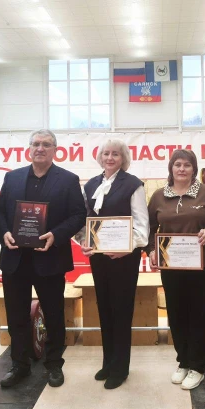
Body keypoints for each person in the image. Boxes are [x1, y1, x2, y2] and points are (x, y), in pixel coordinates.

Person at [0, 130, 86, 389]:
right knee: (16, 316)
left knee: (54, 314)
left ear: (55, 150)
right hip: (15, 259)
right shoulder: (12, 177)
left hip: (50, 258)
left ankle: (54, 364)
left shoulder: (68, 180)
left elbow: (78, 215)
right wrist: (5, 232)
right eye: (36, 144)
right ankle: (19, 365)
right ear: (29, 148)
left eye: (46, 144)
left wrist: (56, 235)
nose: (40, 148)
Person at [147, 149, 205, 390]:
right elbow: (149, 227)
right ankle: (183, 361)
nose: (182, 169)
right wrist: (151, 250)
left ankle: (197, 367)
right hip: (171, 267)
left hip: (202, 266)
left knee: (201, 315)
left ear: (194, 169)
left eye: (187, 165)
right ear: (171, 168)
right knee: (177, 314)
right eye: (177, 165)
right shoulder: (159, 196)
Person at [77, 140, 149, 390]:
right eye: (106, 153)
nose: (110, 157)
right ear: (99, 157)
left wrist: (126, 247)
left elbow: (142, 224)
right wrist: (83, 241)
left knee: (121, 310)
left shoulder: (133, 184)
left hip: (124, 258)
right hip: (99, 257)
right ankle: (108, 362)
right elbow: (84, 220)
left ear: (123, 158)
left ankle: (120, 368)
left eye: (115, 154)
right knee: (105, 308)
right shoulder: (91, 185)